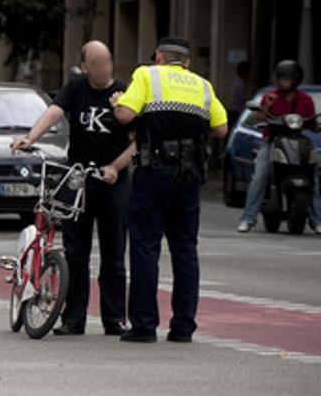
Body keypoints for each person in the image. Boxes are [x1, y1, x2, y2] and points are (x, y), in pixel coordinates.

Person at [12, 41, 135, 336]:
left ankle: (114, 317)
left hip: (112, 180)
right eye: (98, 63)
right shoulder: (76, 87)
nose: (105, 68)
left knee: (114, 254)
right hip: (78, 176)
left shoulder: (124, 93)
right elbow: (54, 112)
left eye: (108, 62)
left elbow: (137, 141)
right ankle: (73, 318)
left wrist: (116, 167)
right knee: (76, 251)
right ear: (85, 67)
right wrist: (30, 137)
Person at [111, 36, 228, 343]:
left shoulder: (146, 75)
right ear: (187, 63)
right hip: (189, 177)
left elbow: (125, 115)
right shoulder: (203, 86)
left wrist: (117, 105)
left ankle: (144, 326)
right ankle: (183, 327)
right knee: (186, 251)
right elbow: (220, 128)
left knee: (145, 247)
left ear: (159, 57)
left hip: (154, 173)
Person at [236, 59, 319, 233]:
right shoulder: (270, 97)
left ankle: (317, 219)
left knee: (314, 176)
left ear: (296, 79)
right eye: (281, 78)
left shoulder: (305, 100)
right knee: (260, 175)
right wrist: (266, 106)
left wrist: (316, 125)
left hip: (299, 141)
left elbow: (312, 121)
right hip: (272, 140)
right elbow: (256, 119)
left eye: (287, 78)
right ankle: (248, 218)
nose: (283, 82)